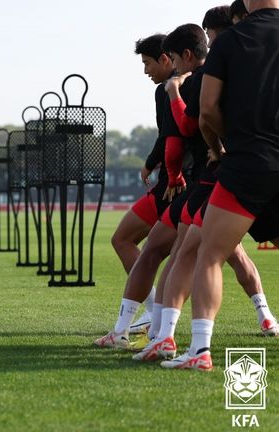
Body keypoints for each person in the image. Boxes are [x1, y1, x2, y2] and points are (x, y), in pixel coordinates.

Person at [162, 0, 279, 371]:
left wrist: (219, 147)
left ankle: (200, 351)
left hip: (245, 161)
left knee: (209, 254)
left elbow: (208, 110)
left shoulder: (230, 40)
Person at [94, 34, 181, 349]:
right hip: (189, 179)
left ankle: (151, 321)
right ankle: (264, 314)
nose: (145, 70)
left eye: (147, 63)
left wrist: (157, 167)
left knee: (145, 248)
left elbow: (170, 135)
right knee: (221, 254)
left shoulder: (168, 89)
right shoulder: (197, 81)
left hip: (175, 184)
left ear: (166, 58)